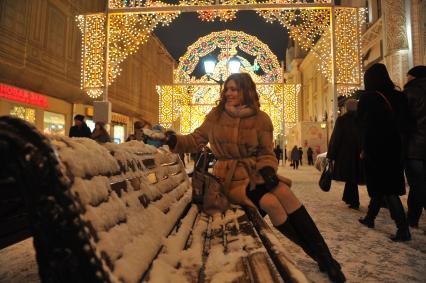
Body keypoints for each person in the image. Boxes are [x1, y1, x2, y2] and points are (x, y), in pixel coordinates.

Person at [165, 73, 345, 282]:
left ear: (246, 91)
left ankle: (325, 258)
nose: (229, 93)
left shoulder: (261, 119)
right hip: (229, 179)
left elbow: (267, 152)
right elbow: (195, 139)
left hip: (255, 174)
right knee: (271, 203)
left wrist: (268, 168)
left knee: (286, 194)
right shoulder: (215, 116)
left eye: (234, 89)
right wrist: (173, 140)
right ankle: (319, 257)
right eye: (227, 89)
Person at [357, 63, 410, 241]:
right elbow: (407, 123)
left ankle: (403, 228)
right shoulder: (400, 96)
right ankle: (370, 218)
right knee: (384, 184)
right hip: (396, 146)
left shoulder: (367, 98)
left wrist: (363, 147)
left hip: (376, 147)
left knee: (387, 188)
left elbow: (362, 125)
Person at [327, 99, 365, 210]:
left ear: (346, 108)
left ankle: (354, 201)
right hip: (360, 153)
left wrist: (331, 155)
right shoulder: (362, 120)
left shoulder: (342, 120)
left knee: (351, 177)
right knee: (353, 177)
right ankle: (350, 199)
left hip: (346, 154)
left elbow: (336, 138)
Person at [403, 65, 426, 229]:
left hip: (415, 147)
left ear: (414, 77)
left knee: (417, 185)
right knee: (419, 185)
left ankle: (412, 219)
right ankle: (412, 217)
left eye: (408, 76)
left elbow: (404, 122)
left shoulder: (410, 92)